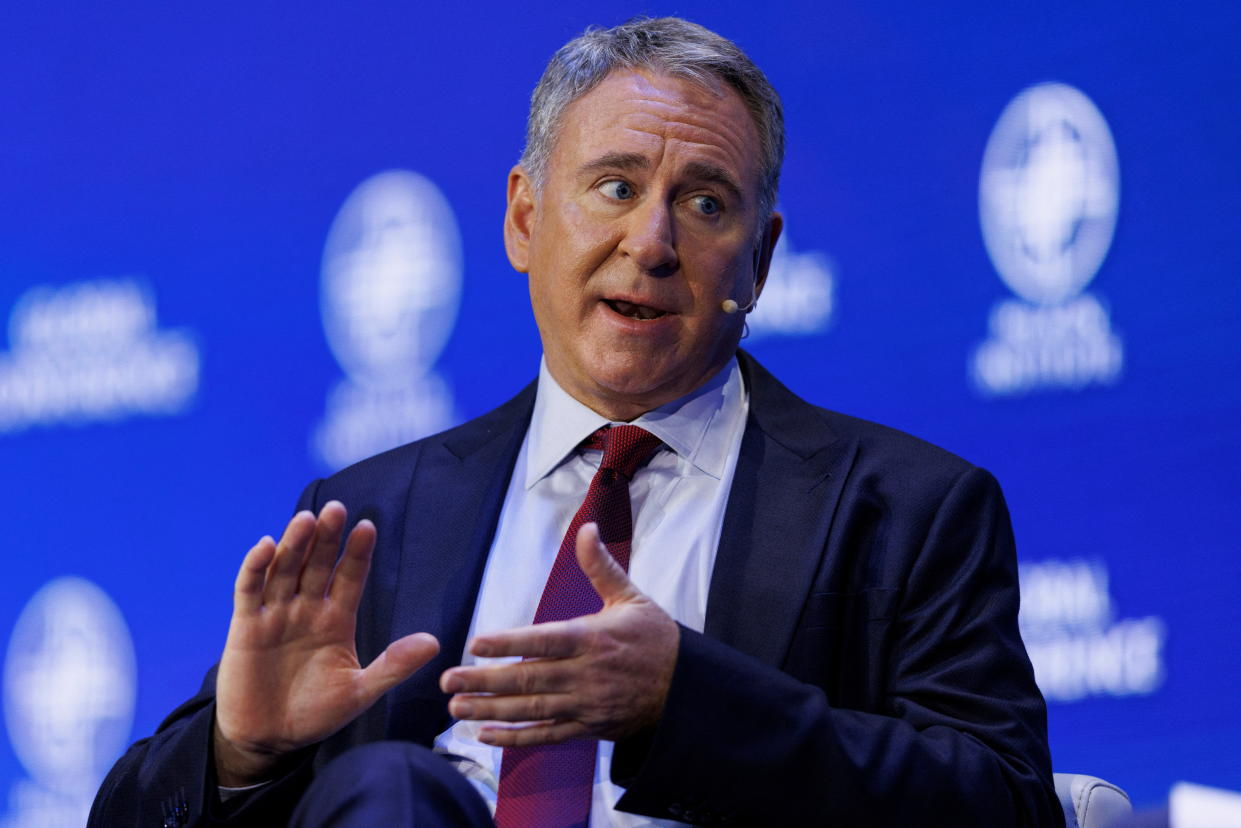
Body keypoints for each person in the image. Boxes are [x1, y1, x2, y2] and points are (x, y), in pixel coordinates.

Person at [90, 17, 1062, 828]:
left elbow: (1002, 802)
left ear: (758, 262)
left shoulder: (909, 510)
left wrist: (684, 701)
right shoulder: (373, 517)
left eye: (704, 202)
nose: (650, 243)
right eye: (615, 187)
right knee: (390, 789)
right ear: (522, 219)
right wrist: (241, 750)